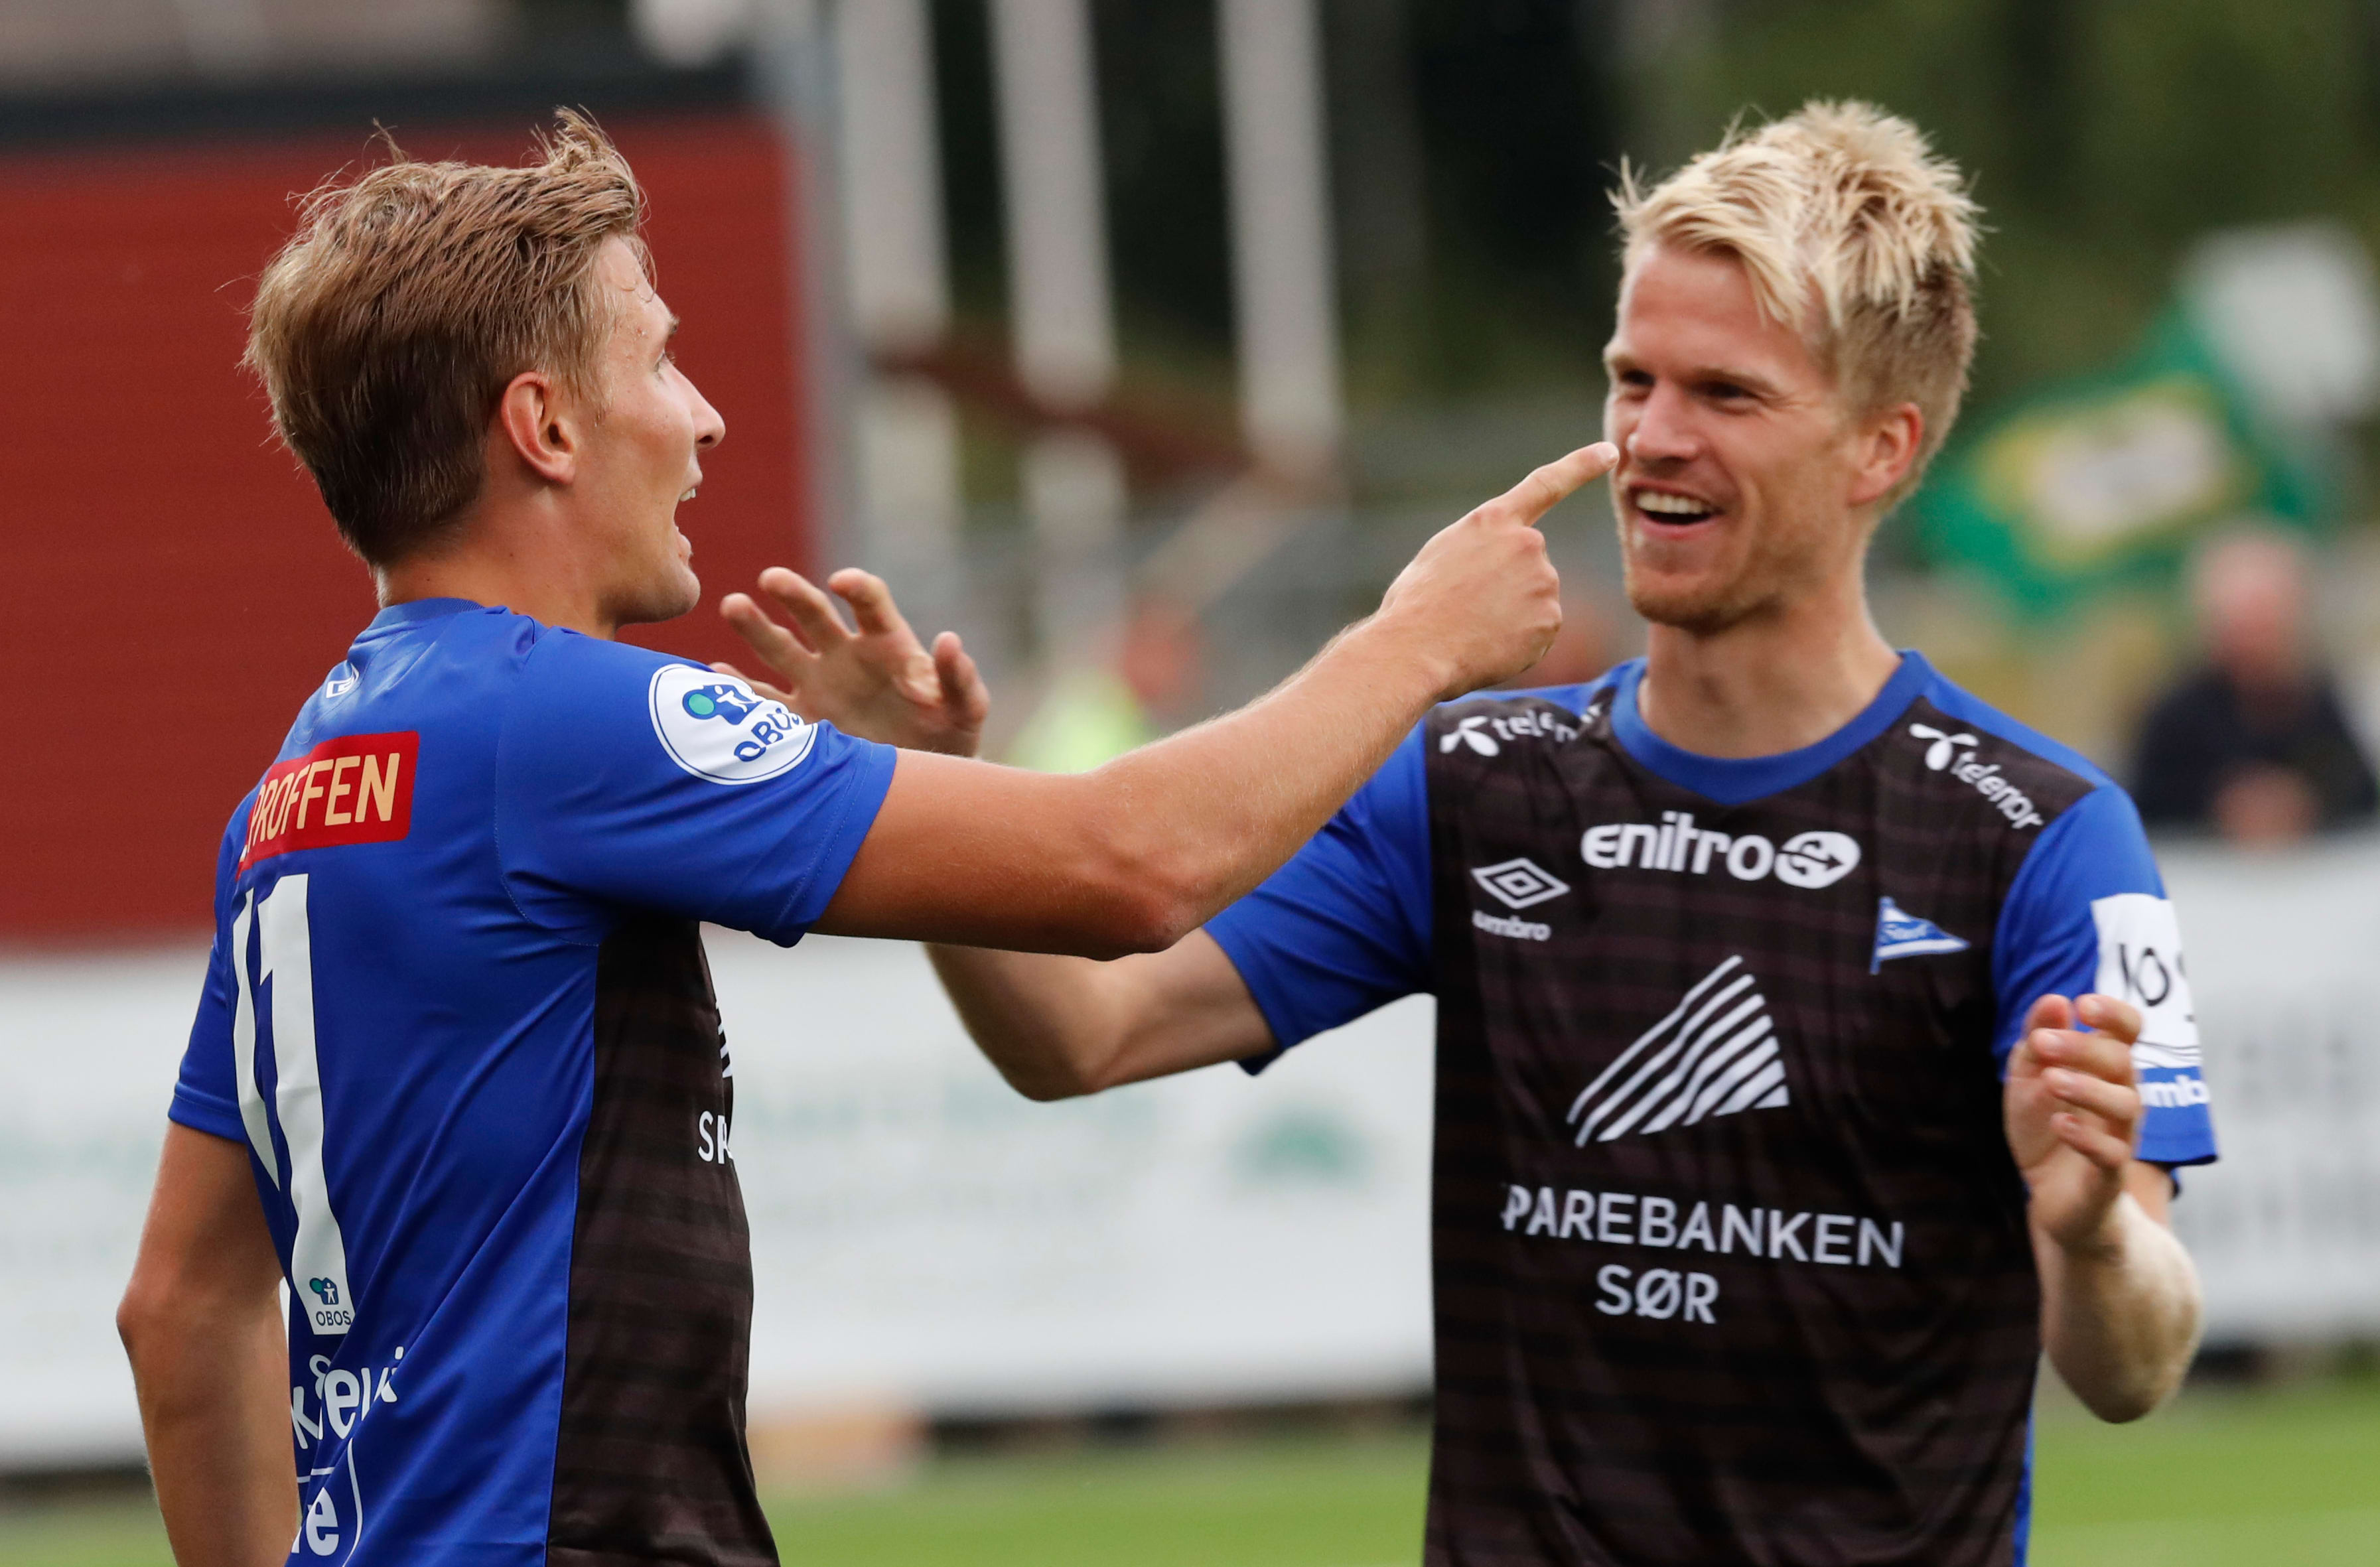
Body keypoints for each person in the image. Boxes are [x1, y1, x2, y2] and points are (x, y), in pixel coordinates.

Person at [111, 115, 1616, 1567]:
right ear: (546, 426)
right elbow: (1131, 865)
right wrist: (1418, 641)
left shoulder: (297, 787)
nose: (702, 415)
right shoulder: (561, 718)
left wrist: (899, 777)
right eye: (659, 359)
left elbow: (180, 1308)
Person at [748, 103, 2217, 1566]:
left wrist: (2090, 1232)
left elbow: (2132, 1364)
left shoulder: (2040, 833)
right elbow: (1085, 1031)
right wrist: (909, 783)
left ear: (1878, 448)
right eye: (1630, 378)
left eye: (1724, 393)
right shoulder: (1477, 779)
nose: (1651, 436)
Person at [2131, 527, 2377, 845]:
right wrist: (2219, 808)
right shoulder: (2176, 715)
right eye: (2242, 627)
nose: (2253, 643)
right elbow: (2148, 808)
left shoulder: (2317, 699)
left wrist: (2307, 803)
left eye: (2266, 624)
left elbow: (2360, 795)